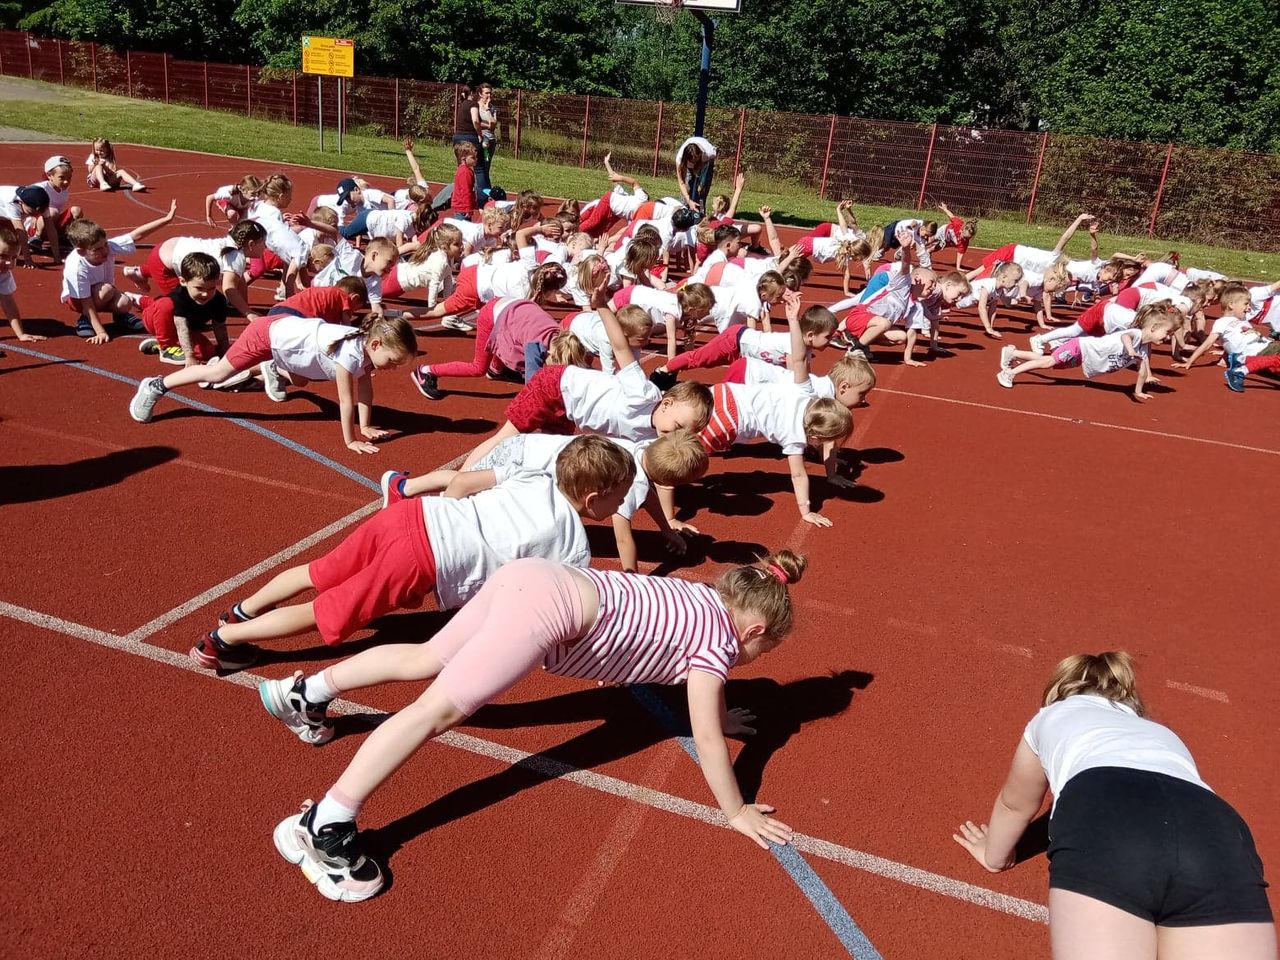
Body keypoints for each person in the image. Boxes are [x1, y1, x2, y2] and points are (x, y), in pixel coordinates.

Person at [263, 547, 805, 901]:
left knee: (427, 657)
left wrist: (719, 711)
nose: (743, 663)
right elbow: (706, 735)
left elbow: (665, 649)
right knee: (434, 713)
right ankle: (324, 824)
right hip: (546, 611)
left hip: (532, 575)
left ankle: (306, 693)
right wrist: (736, 810)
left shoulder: (706, 597)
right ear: (754, 630)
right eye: (759, 653)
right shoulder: (718, 645)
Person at [199, 435, 634, 672]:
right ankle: (223, 642)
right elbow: (546, 598)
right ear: (593, 499)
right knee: (326, 611)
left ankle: (241, 610)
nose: (622, 507)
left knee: (319, 572)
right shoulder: (574, 548)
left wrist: (460, 520)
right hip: (422, 558)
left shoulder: (535, 477)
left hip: (414, 514)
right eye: (620, 499)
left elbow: (461, 483)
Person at [953, 651, 1274, 959]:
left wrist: (994, 857)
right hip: (1215, 827)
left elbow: (1015, 804)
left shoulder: (1048, 716)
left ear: (1059, 692)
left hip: (1105, 808)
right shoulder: (1161, 732)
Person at [383, 427, 708, 573]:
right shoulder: (633, 480)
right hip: (525, 464)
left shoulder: (639, 449)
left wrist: (666, 528)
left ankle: (406, 487)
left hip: (527, 449)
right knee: (468, 489)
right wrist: (630, 578)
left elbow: (647, 493)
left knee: (467, 480)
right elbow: (623, 538)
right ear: (668, 481)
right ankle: (406, 491)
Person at [128, 313, 416, 454]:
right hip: (265, 335)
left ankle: (274, 367)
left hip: (287, 337)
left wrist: (365, 425)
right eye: (392, 361)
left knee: (301, 382)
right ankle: (157, 385)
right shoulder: (350, 353)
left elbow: (365, 387)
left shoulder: (366, 345)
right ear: (375, 344)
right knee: (217, 374)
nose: (392, 368)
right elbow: (346, 399)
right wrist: (351, 440)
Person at [996, 303, 1178, 401]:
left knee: (1049, 362)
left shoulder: (1143, 349)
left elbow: (1142, 371)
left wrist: (1138, 391)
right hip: (1081, 346)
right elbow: (1125, 337)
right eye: (1167, 332)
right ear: (1153, 328)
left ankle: (1013, 353)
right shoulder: (1136, 335)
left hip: (1084, 355)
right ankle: (1009, 373)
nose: (1168, 337)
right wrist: (1130, 351)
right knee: (1048, 362)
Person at [60, 203, 177, 344]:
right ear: (81, 251)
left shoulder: (107, 247)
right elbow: (87, 303)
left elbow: (136, 235)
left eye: (105, 244)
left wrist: (166, 219)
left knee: (125, 302)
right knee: (106, 289)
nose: (105, 251)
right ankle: (85, 319)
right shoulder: (76, 267)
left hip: (103, 292)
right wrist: (101, 332)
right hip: (78, 300)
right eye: (97, 249)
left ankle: (120, 316)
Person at [123, 220, 267, 320]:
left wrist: (244, 306)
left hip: (169, 249)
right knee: (184, 311)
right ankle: (138, 300)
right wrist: (248, 312)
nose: (265, 247)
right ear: (251, 244)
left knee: (194, 278)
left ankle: (139, 272)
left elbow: (239, 281)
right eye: (263, 242)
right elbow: (229, 288)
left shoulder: (231, 245)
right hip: (163, 264)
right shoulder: (236, 256)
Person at [1174, 283, 1280, 392]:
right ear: (1231, 305)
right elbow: (1207, 344)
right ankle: (1240, 368)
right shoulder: (1221, 323)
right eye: (1246, 304)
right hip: (1261, 352)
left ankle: (1240, 361)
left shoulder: (1243, 319)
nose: (1249, 308)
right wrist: (1190, 361)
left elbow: (1237, 339)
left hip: (1270, 346)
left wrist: (1226, 354)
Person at [136, 253, 229, 366]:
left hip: (185, 329)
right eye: (199, 288)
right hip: (156, 321)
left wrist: (225, 350)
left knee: (208, 352)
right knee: (166, 304)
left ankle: (160, 345)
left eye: (211, 288)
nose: (205, 294)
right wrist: (189, 356)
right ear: (183, 281)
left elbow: (220, 327)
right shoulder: (180, 297)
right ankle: (165, 347)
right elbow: (182, 327)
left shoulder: (218, 300)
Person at [0, 221, 41, 341]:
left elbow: (8, 303)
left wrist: (21, 334)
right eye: (3, 256)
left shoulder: (4, 274)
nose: (9, 262)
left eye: (14, 257)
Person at [451, 84, 490, 206]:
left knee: (461, 168)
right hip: (470, 137)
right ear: (472, 93)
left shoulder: (462, 104)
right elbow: (475, 120)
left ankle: (460, 196)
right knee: (480, 169)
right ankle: (482, 201)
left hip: (458, 137)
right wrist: (480, 134)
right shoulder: (473, 104)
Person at [675, 134, 717, 214]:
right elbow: (681, 182)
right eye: (692, 161)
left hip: (705, 162)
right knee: (687, 188)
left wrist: (702, 180)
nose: (694, 163)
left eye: (696, 160)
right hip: (689, 163)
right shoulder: (679, 160)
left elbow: (709, 164)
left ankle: (701, 212)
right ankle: (684, 211)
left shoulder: (709, 154)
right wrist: (688, 200)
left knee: (702, 190)